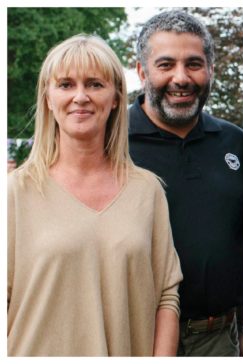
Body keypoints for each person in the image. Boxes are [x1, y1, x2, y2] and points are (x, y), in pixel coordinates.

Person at [7, 34, 183, 356]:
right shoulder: (15, 193)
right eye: (65, 85)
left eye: (94, 84)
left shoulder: (147, 191)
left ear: (116, 97)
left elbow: (166, 296)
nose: (80, 97)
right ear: (48, 97)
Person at [129, 10, 243, 357]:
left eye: (193, 64)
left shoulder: (234, 142)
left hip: (218, 339)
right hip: (135, 337)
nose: (181, 77)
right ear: (141, 72)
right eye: (165, 65)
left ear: (211, 70)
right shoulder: (109, 142)